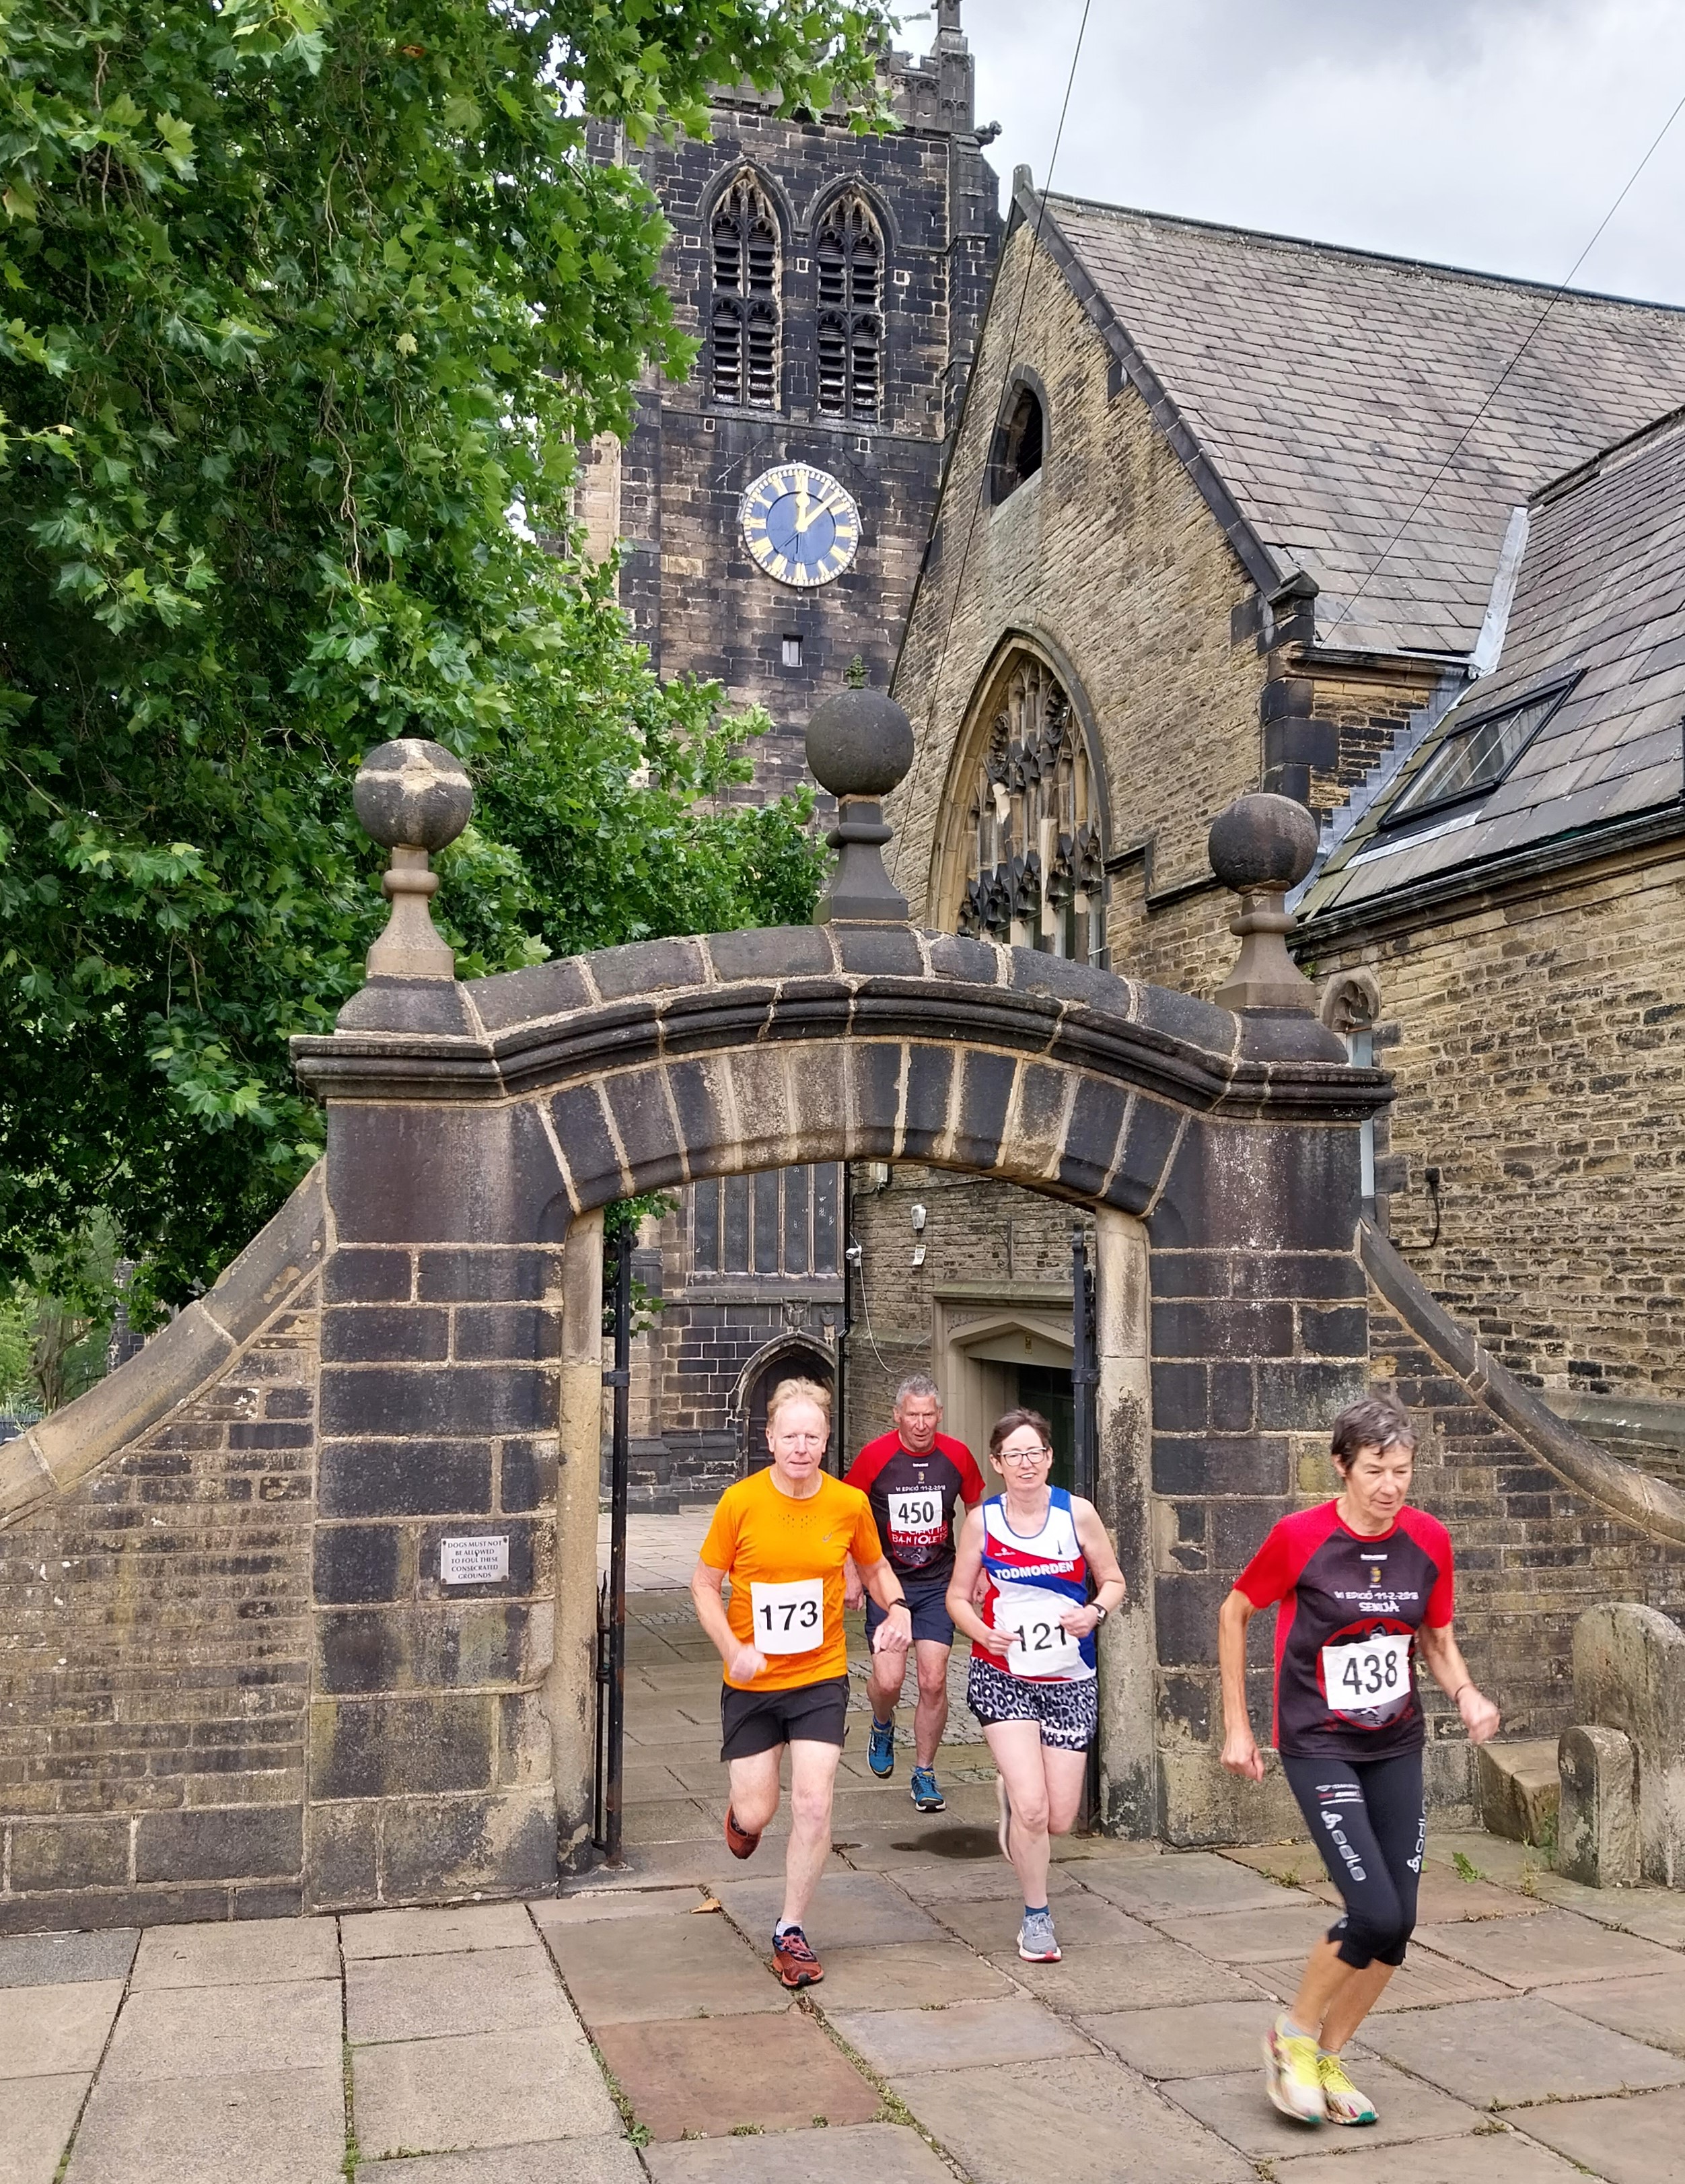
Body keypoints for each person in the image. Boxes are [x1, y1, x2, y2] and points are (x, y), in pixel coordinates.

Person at [1218, 1392, 1501, 2130]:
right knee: (1370, 1908)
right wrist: (1236, 1726)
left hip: (1394, 1741)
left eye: (1401, 1470)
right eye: (1375, 1469)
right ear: (1341, 1466)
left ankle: (1329, 2055)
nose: (1389, 1485)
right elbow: (1234, 1609)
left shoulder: (1428, 1539)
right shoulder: (1299, 1536)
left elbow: (1435, 1638)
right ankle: (1292, 2036)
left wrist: (1466, 1693)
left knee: (1398, 1923)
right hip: (1317, 1741)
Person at [691, 1376, 912, 1990]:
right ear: (769, 1438)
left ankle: (790, 1929)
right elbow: (704, 1584)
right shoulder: (740, 1502)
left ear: (825, 1439)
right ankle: (744, 1816)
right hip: (754, 1682)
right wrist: (732, 1647)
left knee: (814, 1802)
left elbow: (873, 1566)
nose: (800, 1446)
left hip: (820, 1675)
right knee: (761, 1808)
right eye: (789, 1435)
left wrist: (897, 1607)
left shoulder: (847, 1503)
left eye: (812, 1435)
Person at [945, 1407, 1127, 1963]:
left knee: (1059, 1817)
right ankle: (1037, 1917)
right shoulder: (983, 1521)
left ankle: (1015, 1802)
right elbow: (957, 1597)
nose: (1025, 1463)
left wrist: (1092, 1611)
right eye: (1013, 1455)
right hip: (1004, 1675)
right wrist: (983, 1632)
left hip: (1069, 1677)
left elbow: (1114, 1580)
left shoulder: (1078, 1514)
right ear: (998, 1464)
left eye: (1035, 1452)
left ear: (1049, 1457)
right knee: (1032, 1809)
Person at [845, 1374, 986, 1812]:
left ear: (939, 1415)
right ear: (897, 1415)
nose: (921, 1424)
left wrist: (978, 1567)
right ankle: (883, 1722)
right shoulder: (875, 1456)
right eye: (913, 1415)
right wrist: (852, 1572)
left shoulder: (958, 1455)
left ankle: (924, 1771)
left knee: (934, 1679)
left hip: (938, 1582)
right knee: (889, 1680)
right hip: (889, 1582)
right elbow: (846, 1513)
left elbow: (977, 1507)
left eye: (929, 1415)